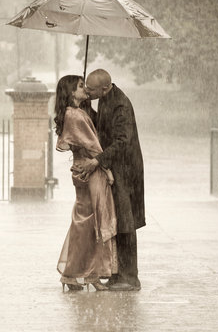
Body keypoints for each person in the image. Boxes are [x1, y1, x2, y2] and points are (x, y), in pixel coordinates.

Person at [78, 69, 145, 291]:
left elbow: (122, 141)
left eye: (91, 89)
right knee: (117, 219)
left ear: (105, 88)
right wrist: (88, 109)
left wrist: (98, 161)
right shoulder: (106, 99)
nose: (88, 92)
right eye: (85, 88)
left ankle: (130, 277)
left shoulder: (121, 105)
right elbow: (104, 128)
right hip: (115, 167)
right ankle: (117, 274)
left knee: (126, 221)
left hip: (126, 170)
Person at [54, 75, 118, 291]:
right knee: (93, 221)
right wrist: (107, 169)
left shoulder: (76, 113)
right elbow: (94, 147)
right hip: (90, 172)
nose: (86, 90)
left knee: (85, 222)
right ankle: (88, 275)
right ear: (71, 92)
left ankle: (76, 275)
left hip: (82, 170)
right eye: (81, 86)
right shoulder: (75, 115)